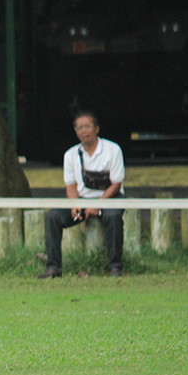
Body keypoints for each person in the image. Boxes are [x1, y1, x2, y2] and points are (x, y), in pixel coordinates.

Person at [39, 111, 125, 278]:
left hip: (109, 199)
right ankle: (53, 267)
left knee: (113, 217)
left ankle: (115, 266)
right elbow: (70, 185)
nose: (84, 131)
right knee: (53, 217)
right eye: (79, 128)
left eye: (87, 126)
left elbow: (116, 184)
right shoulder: (70, 155)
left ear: (97, 128)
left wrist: (98, 205)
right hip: (83, 200)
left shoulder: (113, 150)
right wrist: (75, 204)